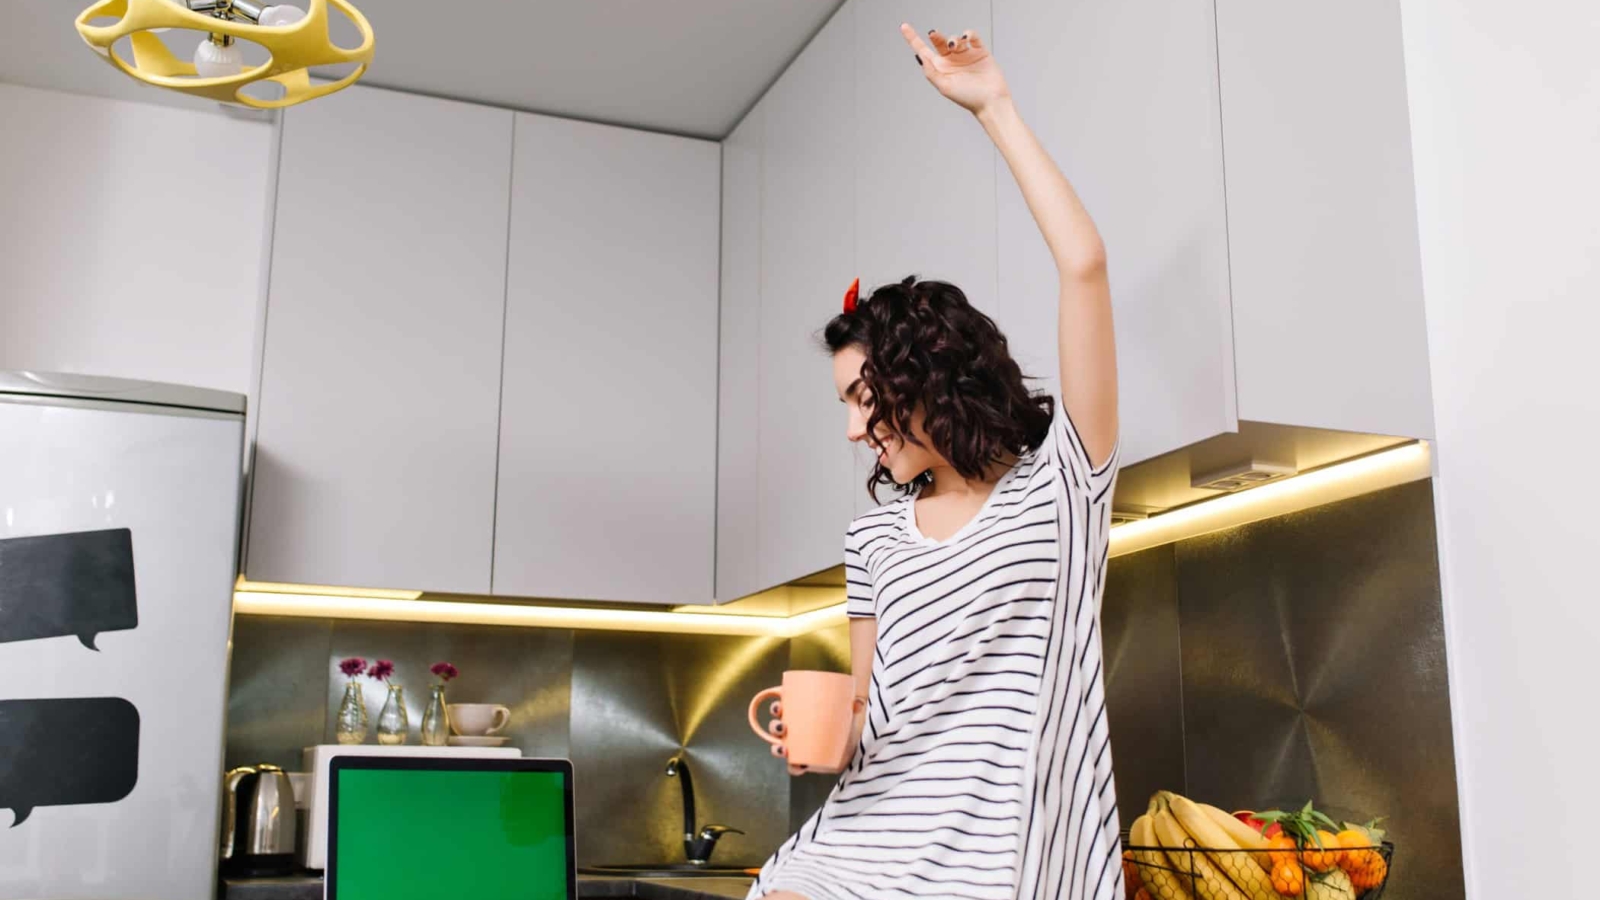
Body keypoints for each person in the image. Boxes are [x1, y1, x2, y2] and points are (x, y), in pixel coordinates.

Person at [746, 22, 1124, 900]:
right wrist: (823, 737)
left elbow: (1085, 266)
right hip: (861, 846)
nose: (850, 430)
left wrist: (995, 106)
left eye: (858, 396)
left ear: (923, 376)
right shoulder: (873, 539)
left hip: (1007, 866)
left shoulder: (1066, 486)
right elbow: (867, 719)